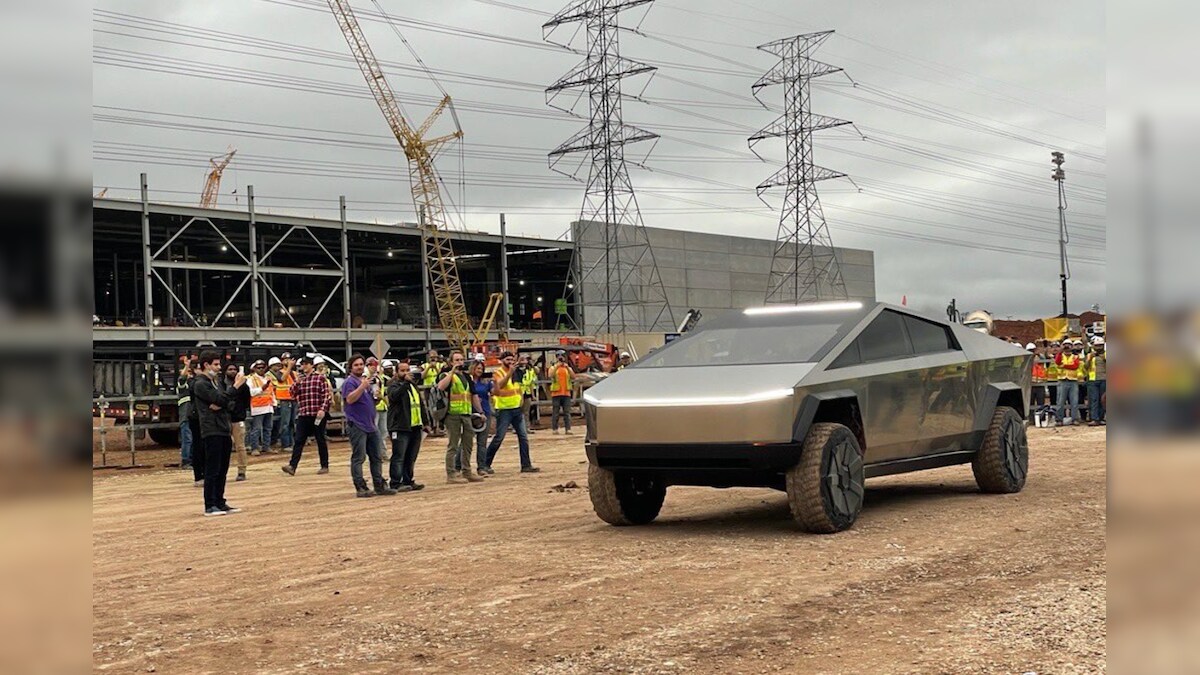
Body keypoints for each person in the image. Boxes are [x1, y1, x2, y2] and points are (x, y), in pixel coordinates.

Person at [193, 350, 246, 516]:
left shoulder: (216, 383)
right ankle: (210, 505)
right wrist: (235, 387)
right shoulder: (201, 383)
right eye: (215, 364)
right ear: (206, 365)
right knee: (212, 468)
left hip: (224, 428)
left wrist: (221, 401)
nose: (218, 368)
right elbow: (222, 399)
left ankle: (220, 501)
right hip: (211, 429)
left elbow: (228, 402)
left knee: (222, 469)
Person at [342, 354, 396, 497]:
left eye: (361, 364)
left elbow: (370, 403)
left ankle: (379, 485)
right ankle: (360, 487)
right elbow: (350, 399)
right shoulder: (350, 382)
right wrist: (362, 387)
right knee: (359, 457)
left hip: (371, 424)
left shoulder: (366, 382)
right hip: (357, 424)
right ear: (351, 367)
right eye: (356, 365)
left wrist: (376, 398)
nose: (359, 367)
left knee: (376, 456)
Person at [484, 351, 540, 474]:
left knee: (523, 437)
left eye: (511, 360)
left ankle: (526, 465)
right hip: (504, 410)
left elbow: (518, 388)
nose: (510, 362)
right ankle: (485, 464)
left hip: (516, 409)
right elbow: (500, 386)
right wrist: (509, 373)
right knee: (499, 437)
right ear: (502, 360)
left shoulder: (516, 373)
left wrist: (520, 400)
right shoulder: (498, 373)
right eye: (507, 360)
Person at [437, 351, 485, 484]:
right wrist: (452, 372)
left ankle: (467, 471)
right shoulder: (446, 375)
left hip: (466, 414)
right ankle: (451, 474)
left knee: (468, 444)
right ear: (451, 362)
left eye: (461, 360)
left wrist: (480, 412)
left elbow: (473, 395)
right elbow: (440, 387)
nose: (459, 362)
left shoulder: (466, 377)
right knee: (453, 444)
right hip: (452, 415)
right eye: (457, 360)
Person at [283, 355, 332, 476]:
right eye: (302, 364)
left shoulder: (320, 378)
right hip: (304, 413)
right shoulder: (301, 379)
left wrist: (323, 409)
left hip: (317, 414)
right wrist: (297, 383)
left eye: (305, 364)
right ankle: (292, 466)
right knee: (299, 440)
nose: (303, 367)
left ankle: (324, 465)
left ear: (311, 365)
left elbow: (326, 395)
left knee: (320, 439)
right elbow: (292, 394)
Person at [385, 364, 430, 491]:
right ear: (397, 372)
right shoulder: (393, 385)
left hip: (415, 426)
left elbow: (420, 404)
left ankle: (408, 480)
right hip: (400, 426)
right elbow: (394, 396)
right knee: (399, 455)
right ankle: (395, 482)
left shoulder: (412, 385)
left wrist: (425, 422)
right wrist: (405, 383)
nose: (406, 373)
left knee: (411, 456)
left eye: (407, 370)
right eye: (402, 370)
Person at [224, 362, 251, 482]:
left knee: (240, 446)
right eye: (230, 369)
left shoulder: (243, 386)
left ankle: (241, 471)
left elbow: (246, 402)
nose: (232, 371)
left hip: (237, 419)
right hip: (224, 419)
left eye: (234, 369)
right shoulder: (221, 384)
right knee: (223, 447)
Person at [468, 360, 493, 475]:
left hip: (485, 413)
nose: (480, 371)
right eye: (478, 368)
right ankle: (459, 466)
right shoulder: (467, 381)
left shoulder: (485, 382)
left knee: (482, 442)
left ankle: (481, 467)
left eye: (482, 369)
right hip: (471, 414)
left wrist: (496, 382)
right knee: (466, 442)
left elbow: (494, 393)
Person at [246, 360, 276, 455]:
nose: (261, 369)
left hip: (268, 406)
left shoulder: (268, 378)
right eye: (259, 368)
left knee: (268, 428)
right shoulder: (251, 379)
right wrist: (261, 388)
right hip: (258, 407)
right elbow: (250, 392)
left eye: (263, 367)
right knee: (256, 429)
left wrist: (274, 403)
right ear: (255, 369)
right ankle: (254, 448)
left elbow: (271, 392)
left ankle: (266, 446)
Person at [268, 355, 297, 453]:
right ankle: (285, 444)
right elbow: (282, 379)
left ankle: (292, 443)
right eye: (285, 359)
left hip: (293, 399)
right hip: (284, 400)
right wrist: (289, 367)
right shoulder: (279, 372)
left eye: (289, 359)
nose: (288, 361)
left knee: (292, 422)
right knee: (285, 423)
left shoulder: (294, 373)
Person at [1055, 339, 1083, 425]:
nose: (1067, 347)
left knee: (1074, 402)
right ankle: (1059, 419)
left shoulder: (1075, 356)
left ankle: (1075, 419)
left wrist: (1064, 366)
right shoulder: (1060, 355)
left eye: (1069, 345)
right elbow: (1057, 362)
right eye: (1065, 345)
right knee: (1060, 402)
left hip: (1073, 381)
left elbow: (1075, 366)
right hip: (1062, 380)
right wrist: (1060, 351)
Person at [549, 350, 574, 435]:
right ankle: (555, 428)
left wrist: (567, 368)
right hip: (556, 393)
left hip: (566, 393)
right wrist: (557, 366)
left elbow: (573, 376)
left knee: (567, 412)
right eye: (559, 356)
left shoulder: (567, 368)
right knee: (556, 412)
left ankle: (568, 429)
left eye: (562, 356)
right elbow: (550, 375)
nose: (561, 358)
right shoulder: (553, 367)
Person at [422, 351, 445, 437]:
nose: (433, 359)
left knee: (441, 406)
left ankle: (441, 426)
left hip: (438, 388)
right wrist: (428, 368)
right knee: (429, 408)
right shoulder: (424, 366)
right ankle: (432, 426)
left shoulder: (441, 365)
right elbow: (422, 376)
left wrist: (435, 367)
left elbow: (441, 375)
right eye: (431, 357)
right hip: (427, 388)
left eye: (434, 357)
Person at [177, 360, 195, 470]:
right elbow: (182, 378)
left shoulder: (194, 385)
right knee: (187, 439)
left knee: (193, 440)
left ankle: (191, 460)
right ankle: (186, 461)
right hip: (186, 416)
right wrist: (187, 366)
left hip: (193, 416)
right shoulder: (183, 386)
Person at [1085, 337, 1107, 426]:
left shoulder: (1106, 354)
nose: (1098, 347)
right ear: (1093, 346)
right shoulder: (1090, 355)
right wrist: (1090, 359)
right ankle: (1094, 418)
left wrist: (1104, 358)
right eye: (1097, 345)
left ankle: (1101, 418)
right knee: (1094, 399)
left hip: (1104, 379)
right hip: (1092, 380)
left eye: (1100, 345)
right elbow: (1085, 367)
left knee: (1103, 400)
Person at [516, 354, 539, 432]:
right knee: (518, 411)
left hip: (527, 393)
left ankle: (526, 428)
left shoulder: (529, 370)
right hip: (518, 394)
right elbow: (517, 384)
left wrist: (533, 395)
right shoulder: (515, 370)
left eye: (525, 359)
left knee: (526, 412)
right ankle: (516, 428)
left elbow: (531, 383)